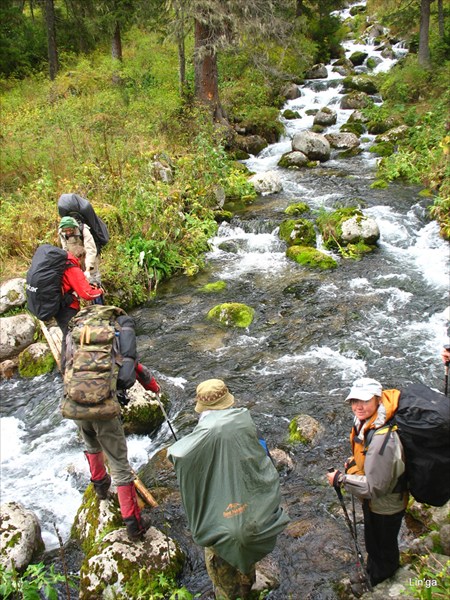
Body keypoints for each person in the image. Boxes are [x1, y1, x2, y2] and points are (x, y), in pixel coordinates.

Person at [168, 379, 289, 600]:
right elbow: (264, 460)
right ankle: (248, 589)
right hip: (250, 516)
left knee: (224, 586)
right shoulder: (246, 423)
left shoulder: (202, 435)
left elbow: (179, 455)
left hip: (220, 526)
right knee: (246, 570)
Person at [63, 305, 161, 541]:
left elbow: (64, 368)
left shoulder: (74, 336)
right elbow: (134, 370)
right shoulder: (116, 338)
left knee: (90, 443)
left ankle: (100, 485)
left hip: (75, 404)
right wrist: (154, 388)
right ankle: (134, 523)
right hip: (105, 410)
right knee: (119, 463)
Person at [327, 377, 408, 589]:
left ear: (378, 399)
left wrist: (341, 479)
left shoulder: (383, 437)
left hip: (386, 505)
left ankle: (383, 583)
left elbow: (375, 487)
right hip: (377, 503)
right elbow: (368, 459)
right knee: (374, 543)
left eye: (363, 400)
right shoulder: (367, 422)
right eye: (354, 401)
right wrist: (355, 464)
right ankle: (374, 573)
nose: (357, 406)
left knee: (382, 546)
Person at [54, 245, 104, 371]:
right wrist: (99, 291)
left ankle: (68, 365)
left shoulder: (62, 264)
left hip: (58, 305)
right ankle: (68, 368)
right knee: (70, 336)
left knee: (67, 335)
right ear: (81, 257)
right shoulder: (72, 268)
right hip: (67, 308)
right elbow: (86, 294)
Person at [58, 215, 101, 285]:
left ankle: (98, 293)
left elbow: (91, 250)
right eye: (66, 230)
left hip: (90, 258)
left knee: (93, 281)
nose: (68, 232)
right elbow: (65, 249)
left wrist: (88, 269)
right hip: (76, 260)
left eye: (70, 230)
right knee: (78, 283)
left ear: (74, 227)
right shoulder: (62, 232)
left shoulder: (84, 230)